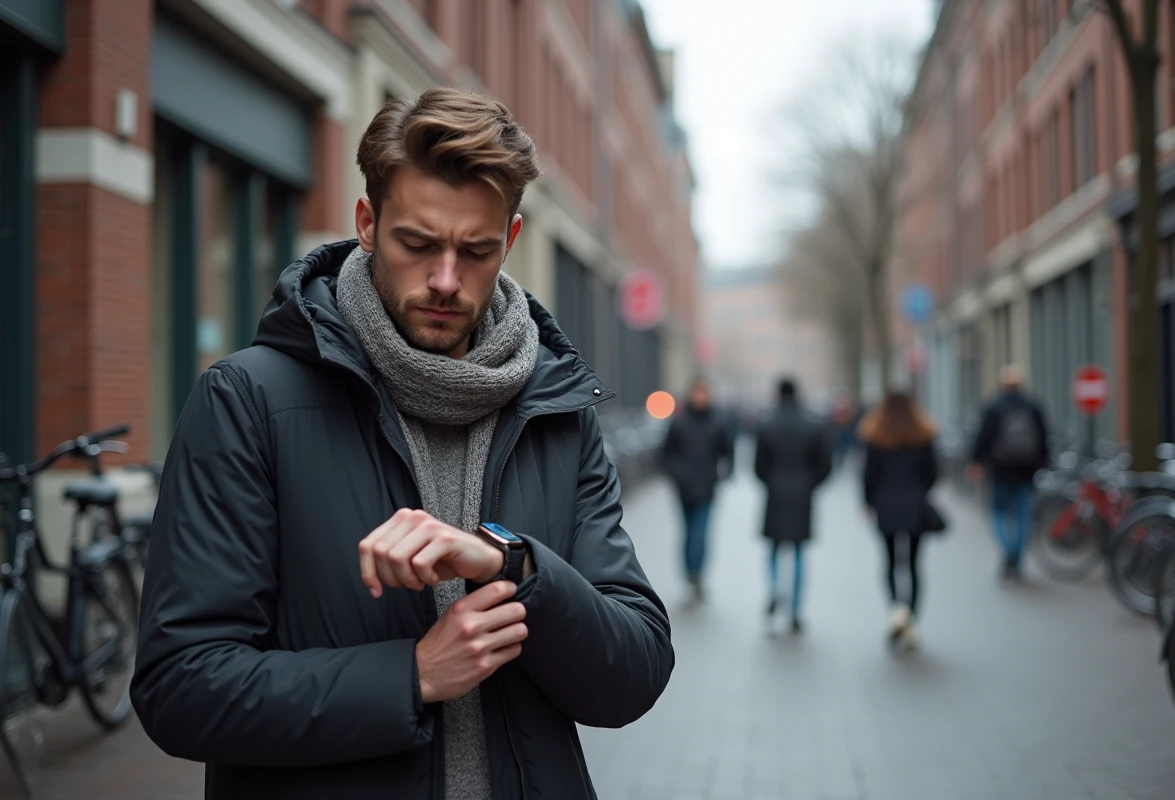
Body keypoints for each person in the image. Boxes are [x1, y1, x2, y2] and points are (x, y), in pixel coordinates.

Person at [131, 89, 674, 800]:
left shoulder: (558, 413)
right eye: (417, 244)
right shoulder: (247, 401)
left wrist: (512, 565)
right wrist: (412, 675)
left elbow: (632, 674)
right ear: (366, 223)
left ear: (508, 243)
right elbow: (180, 688)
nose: (445, 280)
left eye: (475, 251)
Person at [860, 392, 940, 650]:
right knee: (915, 565)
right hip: (915, 505)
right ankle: (911, 619)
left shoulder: (877, 435)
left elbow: (868, 474)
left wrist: (869, 501)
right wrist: (918, 491)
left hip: (886, 505)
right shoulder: (922, 435)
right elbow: (933, 474)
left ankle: (897, 614)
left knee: (891, 562)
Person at [754, 378, 833, 634]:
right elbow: (825, 465)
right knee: (799, 551)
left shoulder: (767, 424)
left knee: (775, 548)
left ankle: (777, 588)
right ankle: (796, 609)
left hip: (776, 493)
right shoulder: (813, 424)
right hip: (802, 494)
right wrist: (809, 484)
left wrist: (771, 482)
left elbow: (758, 465)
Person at [968, 364, 1049, 582]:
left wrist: (975, 461)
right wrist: (1044, 462)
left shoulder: (994, 406)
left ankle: (1008, 548)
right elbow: (1043, 437)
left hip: (1001, 470)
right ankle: (1017, 557)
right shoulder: (1032, 406)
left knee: (998, 512)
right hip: (1026, 470)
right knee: (1023, 515)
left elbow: (983, 436)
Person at [661, 377, 734, 601]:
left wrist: (722, 474)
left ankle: (697, 574)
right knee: (688, 531)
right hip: (684, 488)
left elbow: (728, 452)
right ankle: (689, 572)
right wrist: (677, 475)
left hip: (707, 487)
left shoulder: (717, 422)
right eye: (698, 393)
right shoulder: (679, 422)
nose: (701, 397)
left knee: (701, 532)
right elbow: (665, 455)